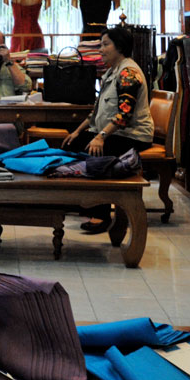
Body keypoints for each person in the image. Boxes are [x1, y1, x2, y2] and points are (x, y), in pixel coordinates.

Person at [61, 26, 154, 233]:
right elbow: (96, 113)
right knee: (73, 142)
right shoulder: (112, 71)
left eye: (105, 45)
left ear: (119, 47)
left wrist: (101, 137)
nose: (100, 50)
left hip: (133, 135)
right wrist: (77, 131)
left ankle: (101, 214)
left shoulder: (129, 73)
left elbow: (124, 115)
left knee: (96, 151)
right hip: (114, 131)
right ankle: (83, 201)